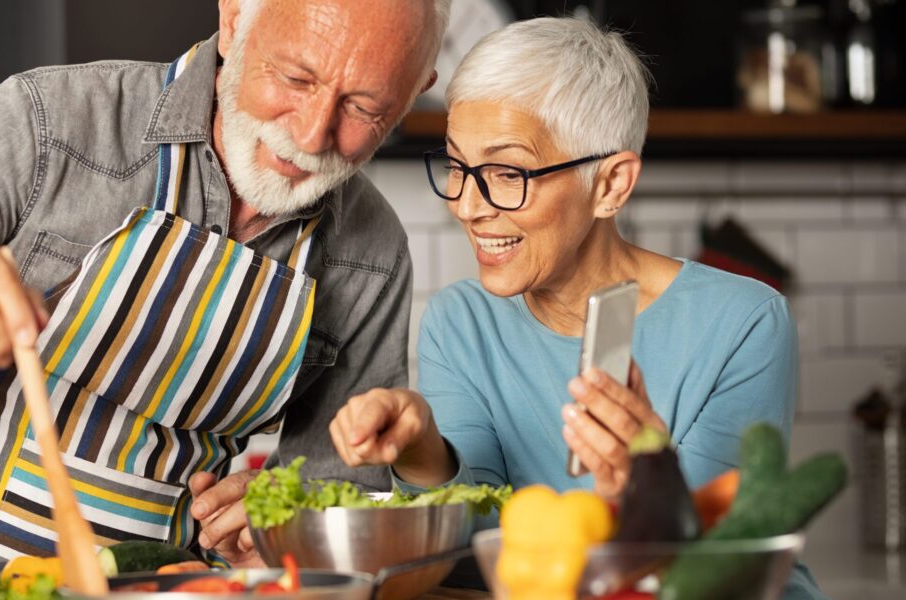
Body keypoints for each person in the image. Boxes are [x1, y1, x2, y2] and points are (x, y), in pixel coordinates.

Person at [0, 0, 450, 565]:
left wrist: (277, 522)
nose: (315, 132)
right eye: (295, 78)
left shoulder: (371, 254)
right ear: (234, 19)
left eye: (365, 109)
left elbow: (343, 512)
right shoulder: (52, 126)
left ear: (417, 90)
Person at [328, 18, 824, 598]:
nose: (466, 206)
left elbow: (714, 570)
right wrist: (423, 452)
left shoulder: (744, 323)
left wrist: (647, 483)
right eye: (459, 167)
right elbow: (473, 554)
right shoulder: (462, 322)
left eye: (507, 173)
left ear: (611, 184)